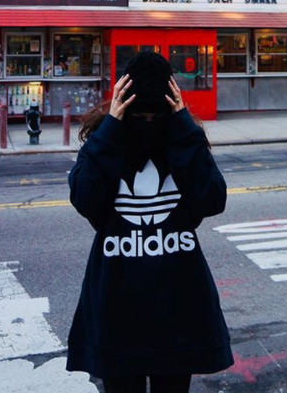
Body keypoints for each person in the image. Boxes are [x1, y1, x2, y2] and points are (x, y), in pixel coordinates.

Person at [66, 51, 234, 393]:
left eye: (154, 115)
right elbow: (85, 199)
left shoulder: (182, 141)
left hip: (177, 304)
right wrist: (111, 127)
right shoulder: (106, 143)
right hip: (117, 304)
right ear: (123, 106)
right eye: (137, 115)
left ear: (168, 108)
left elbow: (212, 200)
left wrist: (183, 127)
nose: (146, 123)